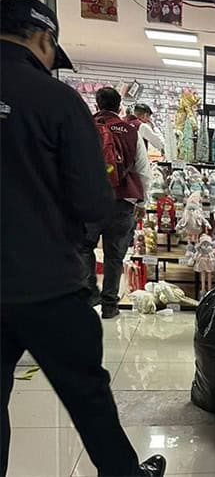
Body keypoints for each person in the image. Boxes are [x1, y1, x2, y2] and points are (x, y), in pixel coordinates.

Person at [0, 0, 165, 477]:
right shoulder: (56, 100)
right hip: (46, 281)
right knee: (87, 396)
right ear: (43, 39)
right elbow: (95, 200)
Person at [79, 87, 152, 319]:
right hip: (122, 200)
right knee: (114, 255)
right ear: (120, 106)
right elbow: (143, 169)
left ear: (97, 104)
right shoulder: (132, 131)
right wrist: (142, 202)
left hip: (90, 199)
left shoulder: (84, 126)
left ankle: (90, 292)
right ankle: (110, 305)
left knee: (84, 247)